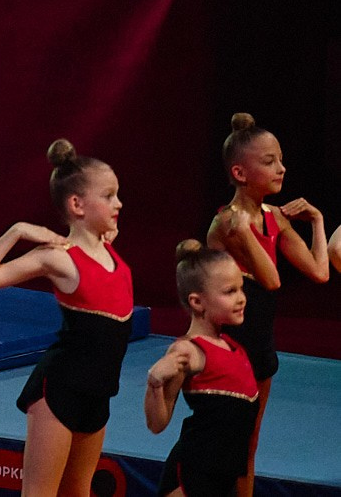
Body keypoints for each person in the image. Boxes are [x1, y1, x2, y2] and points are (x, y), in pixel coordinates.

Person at [0, 141, 133, 497]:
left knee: (78, 491)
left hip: (100, 393)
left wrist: (103, 230)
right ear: (77, 205)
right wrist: (17, 232)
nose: (119, 203)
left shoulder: (108, 246)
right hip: (59, 390)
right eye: (110, 195)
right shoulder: (57, 258)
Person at [207, 113, 331, 496]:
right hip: (229, 345)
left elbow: (319, 272)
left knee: (249, 444)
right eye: (269, 161)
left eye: (280, 159)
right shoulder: (229, 224)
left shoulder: (275, 217)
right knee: (221, 441)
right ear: (240, 173)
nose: (281, 168)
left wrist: (318, 221)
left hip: (260, 343)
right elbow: (272, 281)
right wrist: (252, 229)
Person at [142, 242, 258, 497]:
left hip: (223, 476)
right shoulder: (188, 351)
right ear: (197, 301)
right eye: (229, 292)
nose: (241, 298)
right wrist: (154, 384)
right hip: (194, 476)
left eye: (241, 289)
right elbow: (157, 424)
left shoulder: (233, 346)